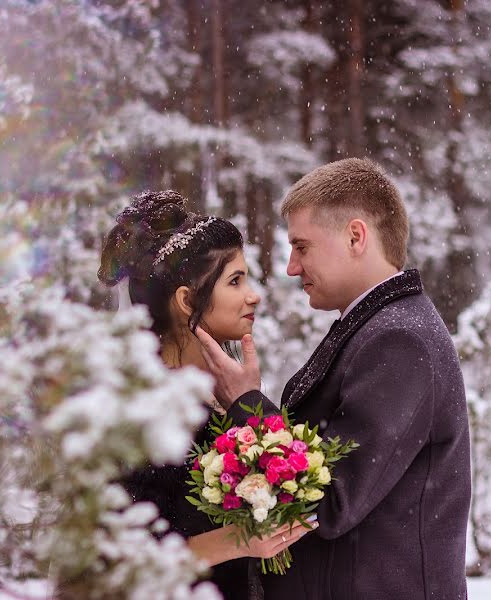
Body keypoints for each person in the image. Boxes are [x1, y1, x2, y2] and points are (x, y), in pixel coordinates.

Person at [195, 159, 472, 599]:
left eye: (302, 246)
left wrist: (246, 403)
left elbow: (332, 499)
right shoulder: (378, 325)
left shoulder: (400, 339)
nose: (290, 267)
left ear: (356, 236)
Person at [97, 190, 315, 599]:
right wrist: (238, 540)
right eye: (235, 281)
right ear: (187, 301)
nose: (254, 295)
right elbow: (116, 560)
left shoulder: (218, 397)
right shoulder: (144, 413)